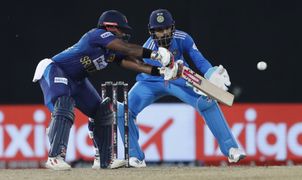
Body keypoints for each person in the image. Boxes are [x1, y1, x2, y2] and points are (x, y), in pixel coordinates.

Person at [95, 9, 246, 168]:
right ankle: (135, 156)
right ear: (152, 31)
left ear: (172, 27)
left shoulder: (183, 38)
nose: (164, 33)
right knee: (123, 111)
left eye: (167, 28)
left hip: (179, 79)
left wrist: (211, 73)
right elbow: (149, 69)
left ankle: (231, 149)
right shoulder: (148, 49)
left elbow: (199, 60)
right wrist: (166, 67)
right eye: (159, 30)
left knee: (207, 102)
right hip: (151, 81)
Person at [32, 10, 179, 171]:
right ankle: (55, 157)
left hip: (77, 79)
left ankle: (103, 160)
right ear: (111, 27)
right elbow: (127, 48)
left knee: (102, 112)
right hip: (55, 69)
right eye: (122, 30)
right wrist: (156, 55)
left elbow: (134, 63)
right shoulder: (97, 34)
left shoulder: (111, 50)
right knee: (64, 103)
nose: (124, 34)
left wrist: (160, 71)